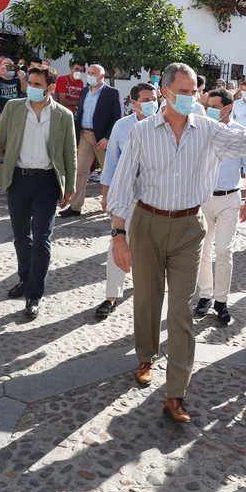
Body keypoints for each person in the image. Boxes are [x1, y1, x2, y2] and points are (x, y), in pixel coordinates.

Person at [107, 65, 246, 424]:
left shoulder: (211, 131)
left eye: (193, 90)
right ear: (165, 92)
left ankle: (176, 394)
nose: (189, 97)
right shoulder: (141, 132)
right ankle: (145, 356)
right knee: (147, 296)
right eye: (182, 90)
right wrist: (118, 236)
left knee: (183, 308)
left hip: (189, 226)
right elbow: (122, 186)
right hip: (147, 222)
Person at [0, 65, 76, 319]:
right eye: (29, 83)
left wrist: (70, 188)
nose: (31, 87)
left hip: (47, 182)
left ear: (50, 88)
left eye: (37, 84)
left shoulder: (64, 115)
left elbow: (70, 154)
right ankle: (24, 279)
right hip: (18, 179)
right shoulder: (13, 108)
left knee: (42, 238)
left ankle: (34, 294)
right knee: (22, 237)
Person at [194, 89, 246, 325]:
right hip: (203, 199)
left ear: (227, 108)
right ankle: (205, 295)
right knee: (202, 250)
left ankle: (221, 301)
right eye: (207, 105)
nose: (209, 110)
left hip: (230, 199)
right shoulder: (201, 131)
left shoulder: (242, 134)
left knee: (223, 250)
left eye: (214, 106)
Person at [96, 83, 158, 318]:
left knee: (152, 249)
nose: (152, 102)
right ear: (133, 103)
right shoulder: (121, 127)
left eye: (154, 97)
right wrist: (106, 195)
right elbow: (111, 163)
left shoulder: (164, 124)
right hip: (126, 198)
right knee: (117, 243)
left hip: (156, 199)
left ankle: (149, 294)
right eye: (146, 99)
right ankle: (111, 296)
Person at [62, 64, 121, 217]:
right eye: (88, 72)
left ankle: (114, 205)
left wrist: (108, 138)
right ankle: (75, 206)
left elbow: (117, 118)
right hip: (85, 135)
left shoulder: (112, 93)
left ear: (102, 76)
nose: (89, 75)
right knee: (80, 171)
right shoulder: (83, 91)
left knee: (110, 173)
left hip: (102, 139)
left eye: (93, 73)